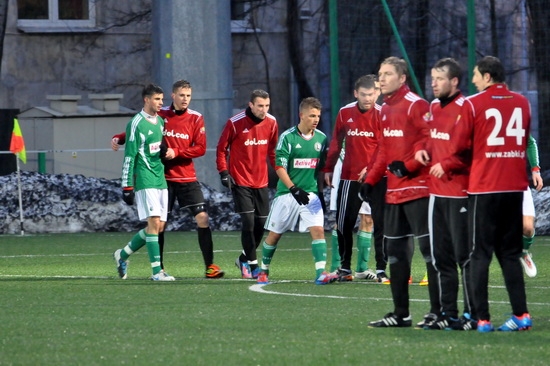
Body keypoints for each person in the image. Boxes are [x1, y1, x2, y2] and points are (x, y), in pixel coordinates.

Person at [447, 56, 532, 332]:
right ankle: (522, 315)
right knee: (510, 253)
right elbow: (524, 139)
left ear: (486, 76)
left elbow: (459, 146)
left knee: (479, 253)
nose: (472, 79)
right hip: (514, 187)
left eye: (475, 74)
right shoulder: (522, 102)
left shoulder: (473, 104)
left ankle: (482, 318)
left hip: (485, 187)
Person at [112, 80, 225, 279]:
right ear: (174, 96)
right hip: (162, 176)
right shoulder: (161, 113)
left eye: (188, 96)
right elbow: (140, 128)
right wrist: (120, 137)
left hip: (186, 176)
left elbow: (200, 148)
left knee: (202, 218)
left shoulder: (196, 118)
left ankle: (210, 266)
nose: (185, 99)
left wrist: (177, 152)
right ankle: (159, 268)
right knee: (158, 225)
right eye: (182, 95)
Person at [360, 57, 439, 328]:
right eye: (380, 73)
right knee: (395, 254)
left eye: (388, 74)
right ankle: (401, 314)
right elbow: (383, 149)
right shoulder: (383, 111)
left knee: (430, 253)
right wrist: (370, 180)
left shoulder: (417, 105)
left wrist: (409, 166)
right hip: (394, 193)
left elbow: (431, 142)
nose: (381, 78)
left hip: (419, 190)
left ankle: (437, 313)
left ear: (402, 78)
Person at [414, 58, 476, 330]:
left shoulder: (467, 108)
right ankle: (448, 314)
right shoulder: (433, 107)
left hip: (460, 194)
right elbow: (427, 135)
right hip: (436, 195)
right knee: (441, 258)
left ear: (454, 81)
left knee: (466, 258)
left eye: (439, 78)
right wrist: (421, 148)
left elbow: (471, 151)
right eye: (432, 78)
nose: (433, 83)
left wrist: (447, 164)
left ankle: (473, 315)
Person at [256, 97, 337, 285]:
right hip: (287, 194)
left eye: (318, 116)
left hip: (310, 195)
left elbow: (323, 166)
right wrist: (293, 188)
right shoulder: (288, 137)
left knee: (318, 231)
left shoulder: (322, 138)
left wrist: (323, 182)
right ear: (301, 115)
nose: (316, 119)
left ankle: (320, 273)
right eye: (311, 115)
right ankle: (263, 270)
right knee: (275, 234)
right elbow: (279, 167)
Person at [322, 74, 382, 282]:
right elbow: (337, 142)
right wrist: (328, 168)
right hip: (348, 177)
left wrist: (372, 168)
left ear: (378, 93)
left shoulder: (383, 115)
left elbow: (385, 147)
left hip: (375, 179)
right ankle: (344, 267)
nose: (368, 98)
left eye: (372, 94)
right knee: (344, 222)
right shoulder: (345, 112)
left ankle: (375, 269)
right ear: (356, 93)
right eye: (364, 94)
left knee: (375, 222)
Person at [113, 83, 175, 281]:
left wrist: (165, 152)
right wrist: (127, 185)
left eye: (161, 99)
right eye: (157, 99)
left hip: (160, 178)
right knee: (154, 223)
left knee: (159, 227)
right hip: (145, 178)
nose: (160, 103)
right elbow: (129, 156)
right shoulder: (135, 123)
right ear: (146, 100)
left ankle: (122, 255)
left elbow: (156, 147)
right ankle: (157, 272)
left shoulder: (160, 122)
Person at [216, 89, 278, 279]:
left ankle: (243, 258)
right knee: (248, 223)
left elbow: (273, 151)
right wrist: (224, 172)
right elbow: (221, 149)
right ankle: (253, 265)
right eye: (260, 106)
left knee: (261, 224)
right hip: (240, 181)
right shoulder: (235, 123)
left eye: (267, 106)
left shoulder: (272, 122)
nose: (264, 110)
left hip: (261, 182)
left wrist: (281, 172)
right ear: (251, 105)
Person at [521, 135, 543, 277]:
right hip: (492, 183)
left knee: (528, 228)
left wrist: (535, 169)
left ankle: (523, 252)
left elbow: (530, 141)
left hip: (517, 180)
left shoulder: (516, 116)